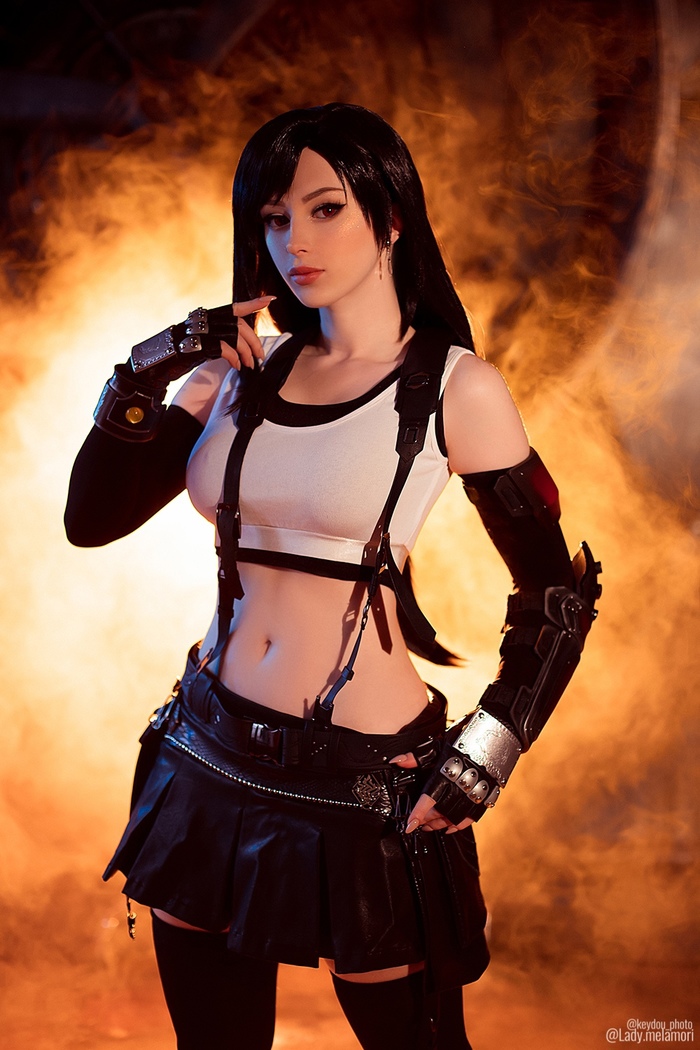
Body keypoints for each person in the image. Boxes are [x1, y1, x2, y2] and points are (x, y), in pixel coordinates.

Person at [65, 103, 600, 1050]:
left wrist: (485, 753)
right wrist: (153, 363)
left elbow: (556, 596)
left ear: (389, 216)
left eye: (324, 209)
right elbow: (91, 521)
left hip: (363, 782)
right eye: (274, 218)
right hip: (206, 752)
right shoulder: (234, 372)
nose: (294, 243)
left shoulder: (455, 388)